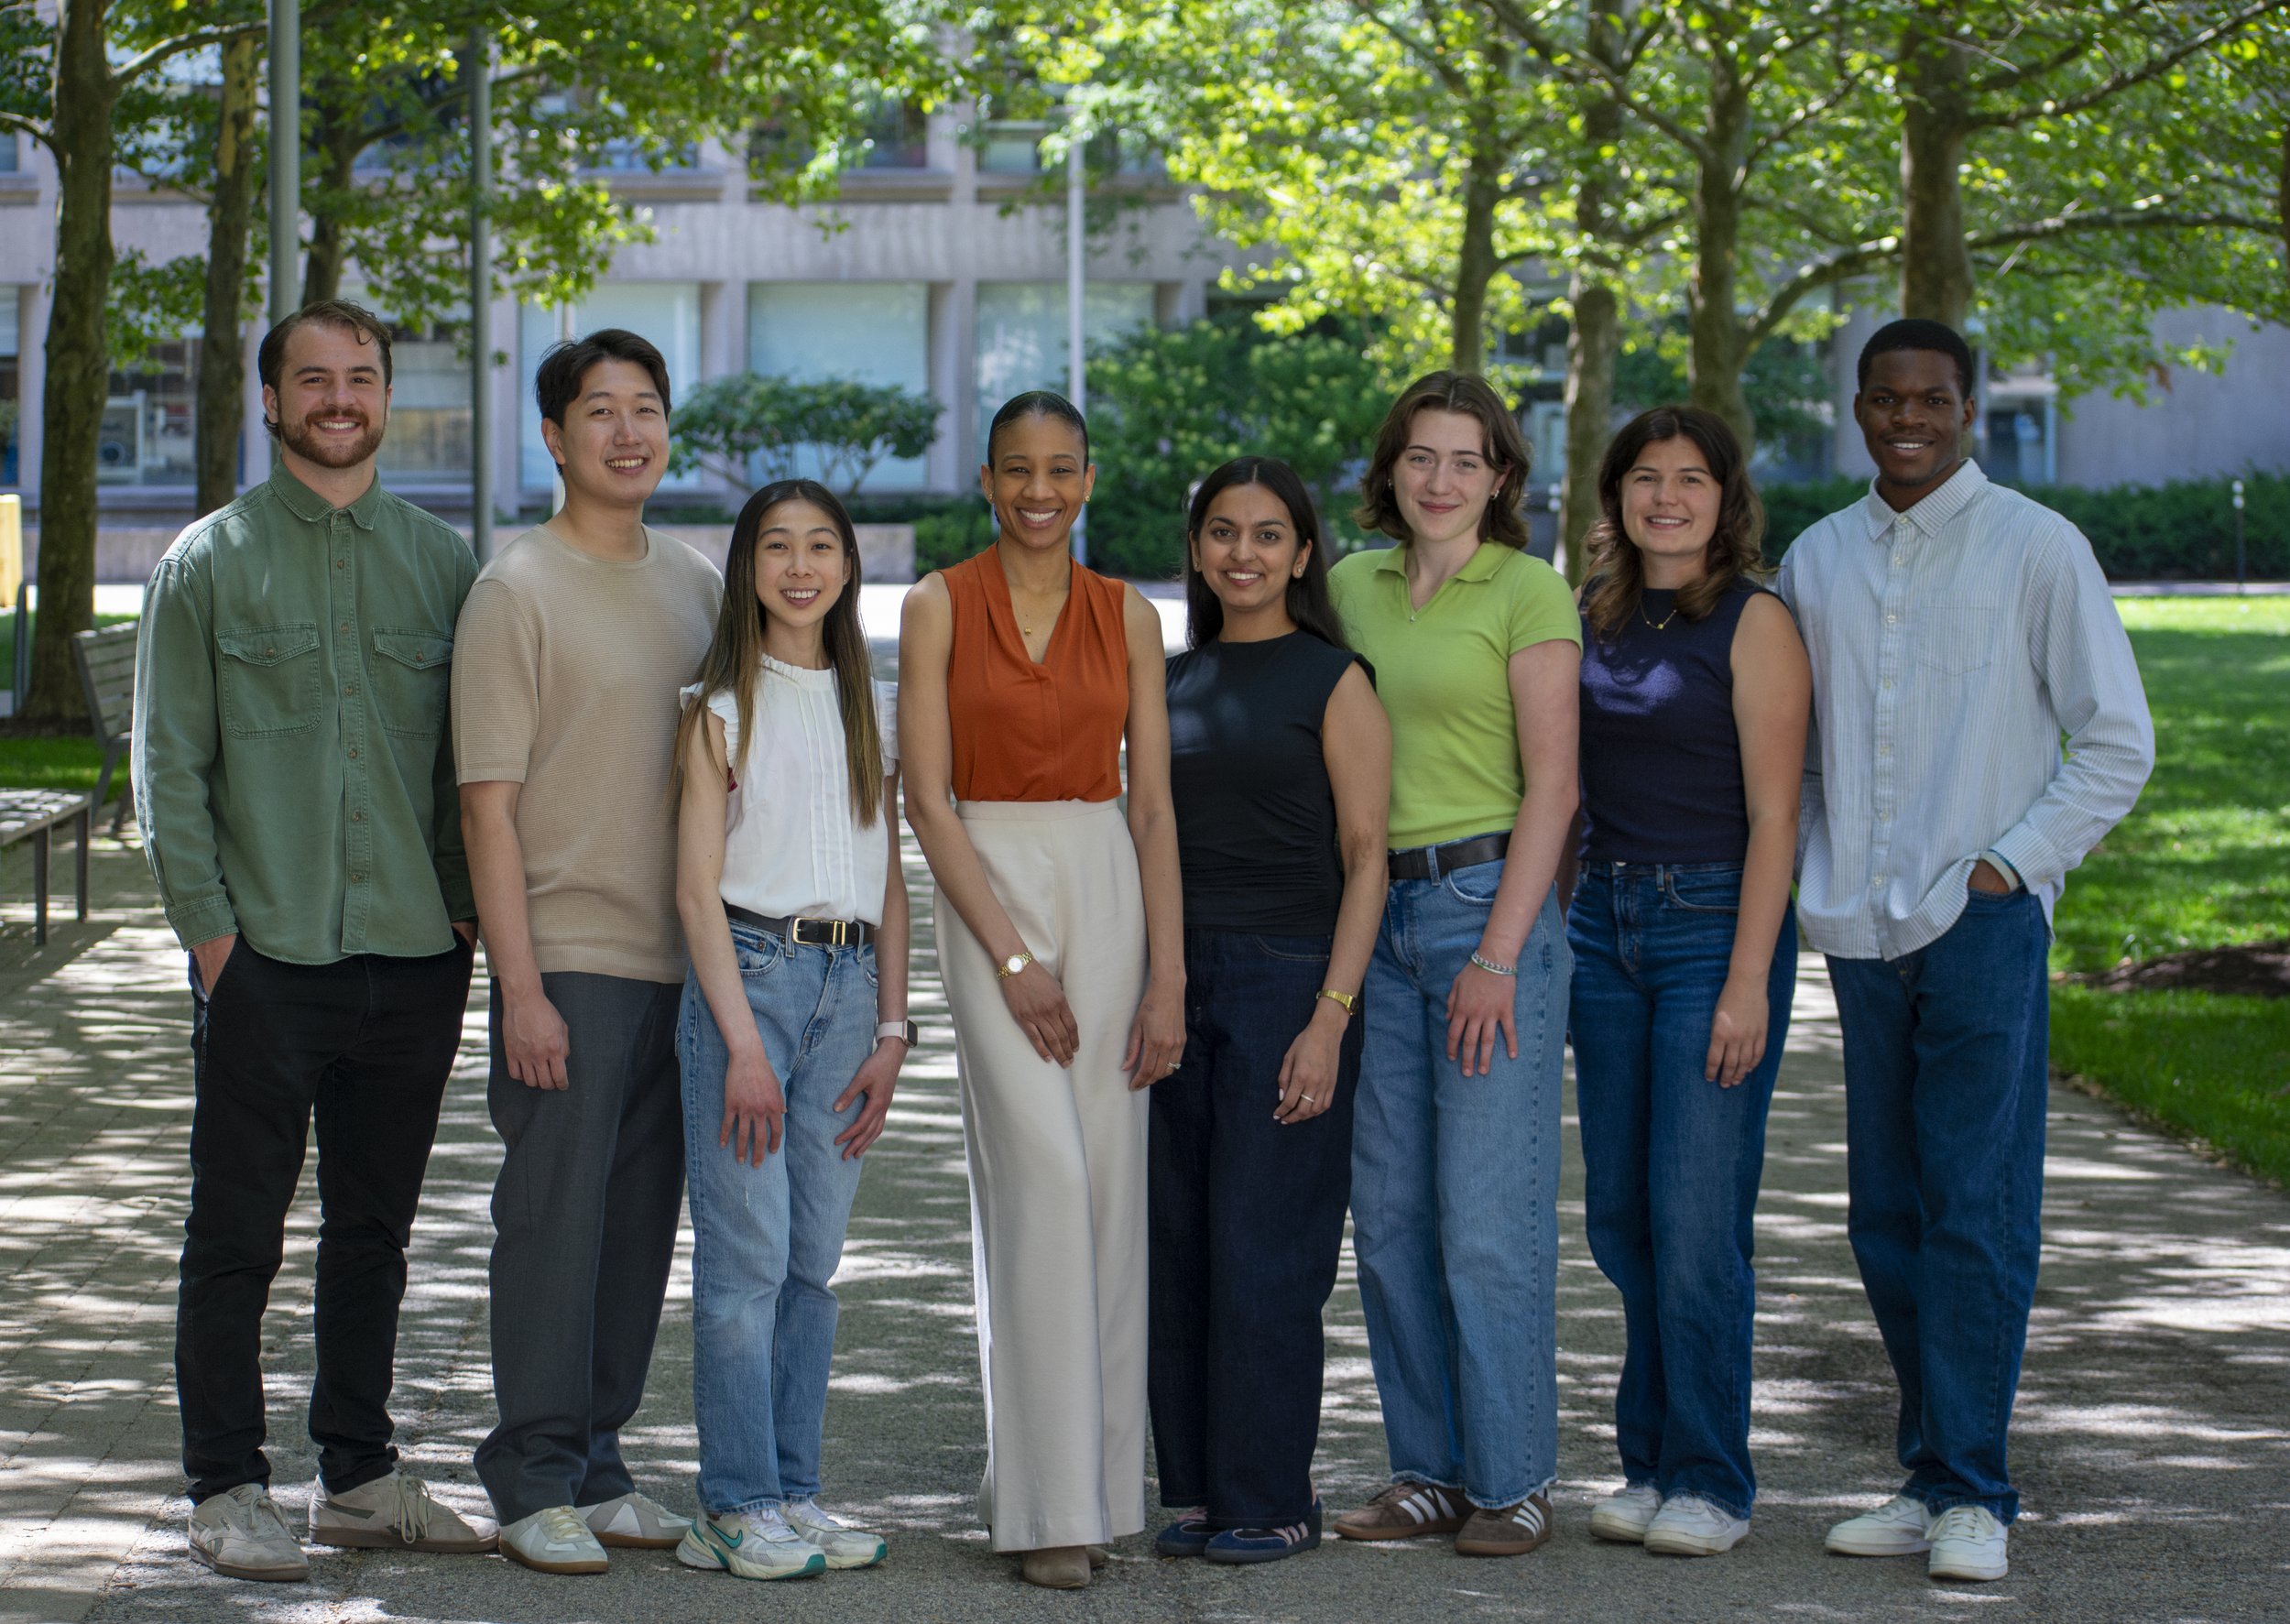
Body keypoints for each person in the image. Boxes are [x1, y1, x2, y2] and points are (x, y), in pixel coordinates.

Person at [1778, 318, 2154, 1584]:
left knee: (1976, 1212)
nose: (1905, 419)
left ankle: (1977, 1490)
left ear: (1968, 408)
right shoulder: (1818, 559)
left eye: (1930, 399)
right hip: (1862, 927)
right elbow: (1802, 751)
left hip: (1983, 918)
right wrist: (1821, 870)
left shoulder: (2039, 549)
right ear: (1858, 408)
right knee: (1886, 1213)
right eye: (1884, 399)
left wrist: (2010, 861)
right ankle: (1930, 1470)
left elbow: (2116, 741)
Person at [134, 299, 495, 1580]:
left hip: (413, 956)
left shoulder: (445, 566)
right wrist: (213, 942)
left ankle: (359, 1472)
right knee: (236, 1232)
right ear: (271, 399)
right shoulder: (206, 563)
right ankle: (226, 1483)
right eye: (313, 379)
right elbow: (167, 771)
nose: (339, 398)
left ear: (387, 395)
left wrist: (460, 917)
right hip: (265, 957)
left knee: (375, 1233)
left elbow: (474, 764)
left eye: (361, 378)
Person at [899, 390, 1185, 1590]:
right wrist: (1011, 956)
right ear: (986, 478)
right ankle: (1042, 1507)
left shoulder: (1128, 614)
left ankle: (1101, 1496)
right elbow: (925, 796)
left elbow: (1155, 804)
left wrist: (1169, 974)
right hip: (987, 882)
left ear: (1089, 478)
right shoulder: (933, 605)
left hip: (1106, 877)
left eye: (1061, 468)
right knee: (1044, 1184)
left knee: (1113, 1192)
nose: (1039, 489)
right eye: (1017, 468)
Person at [453, 329, 723, 1575]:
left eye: (647, 408)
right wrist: (521, 989)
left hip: (680, 964)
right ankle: (531, 1472)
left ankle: (599, 1462)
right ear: (553, 437)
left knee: (632, 1231)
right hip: (567, 960)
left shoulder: (697, 583)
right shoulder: (518, 590)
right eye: (599, 411)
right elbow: (486, 807)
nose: (627, 431)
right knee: (552, 1230)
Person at [1325, 373, 1580, 1559]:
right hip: (1373, 922)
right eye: (1421, 457)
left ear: (1501, 479)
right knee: (1389, 1217)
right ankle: (1427, 1469)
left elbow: (1557, 788)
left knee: (1487, 1219)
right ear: (1393, 469)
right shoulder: (1347, 590)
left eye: (1465, 461)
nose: (1440, 480)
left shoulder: (1528, 592)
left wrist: (1499, 951)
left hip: (1489, 913)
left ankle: (1514, 1477)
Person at [1567, 407, 1809, 1557]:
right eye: (1645, 479)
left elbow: (1776, 815)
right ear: (1613, 496)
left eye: (1690, 480)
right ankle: (1649, 1462)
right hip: (1598, 927)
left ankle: (1711, 1476)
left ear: (1725, 498)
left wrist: (1750, 980)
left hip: (1710, 926)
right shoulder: (1591, 618)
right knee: (1621, 1215)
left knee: (1697, 1217)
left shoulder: (1755, 623)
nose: (1666, 498)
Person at [1150, 458, 1390, 1565]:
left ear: (1302, 553)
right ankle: (1197, 1487)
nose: (1243, 554)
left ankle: (1270, 1498)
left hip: (1291, 977)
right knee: (1180, 1244)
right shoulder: (1166, 680)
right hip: (1173, 985)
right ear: (1197, 550)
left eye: (1268, 534)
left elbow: (1365, 857)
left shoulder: (1336, 678)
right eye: (1222, 533)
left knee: (1267, 1249)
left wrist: (1330, 1017)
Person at [669, 479, 909, 1582]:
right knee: (747, 1262)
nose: (800, 566)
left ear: (849, 567)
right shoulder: (721, 705)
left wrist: (896, 1029)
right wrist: (743, 1048)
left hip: (850, 989)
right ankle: (734, 1502)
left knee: (813, 1263)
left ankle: (794, 1490)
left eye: (821, 546)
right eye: (777, 547)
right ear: (747, 567)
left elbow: (890, 880)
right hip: (751, 984)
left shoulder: (873, 704)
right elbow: (692, 890)